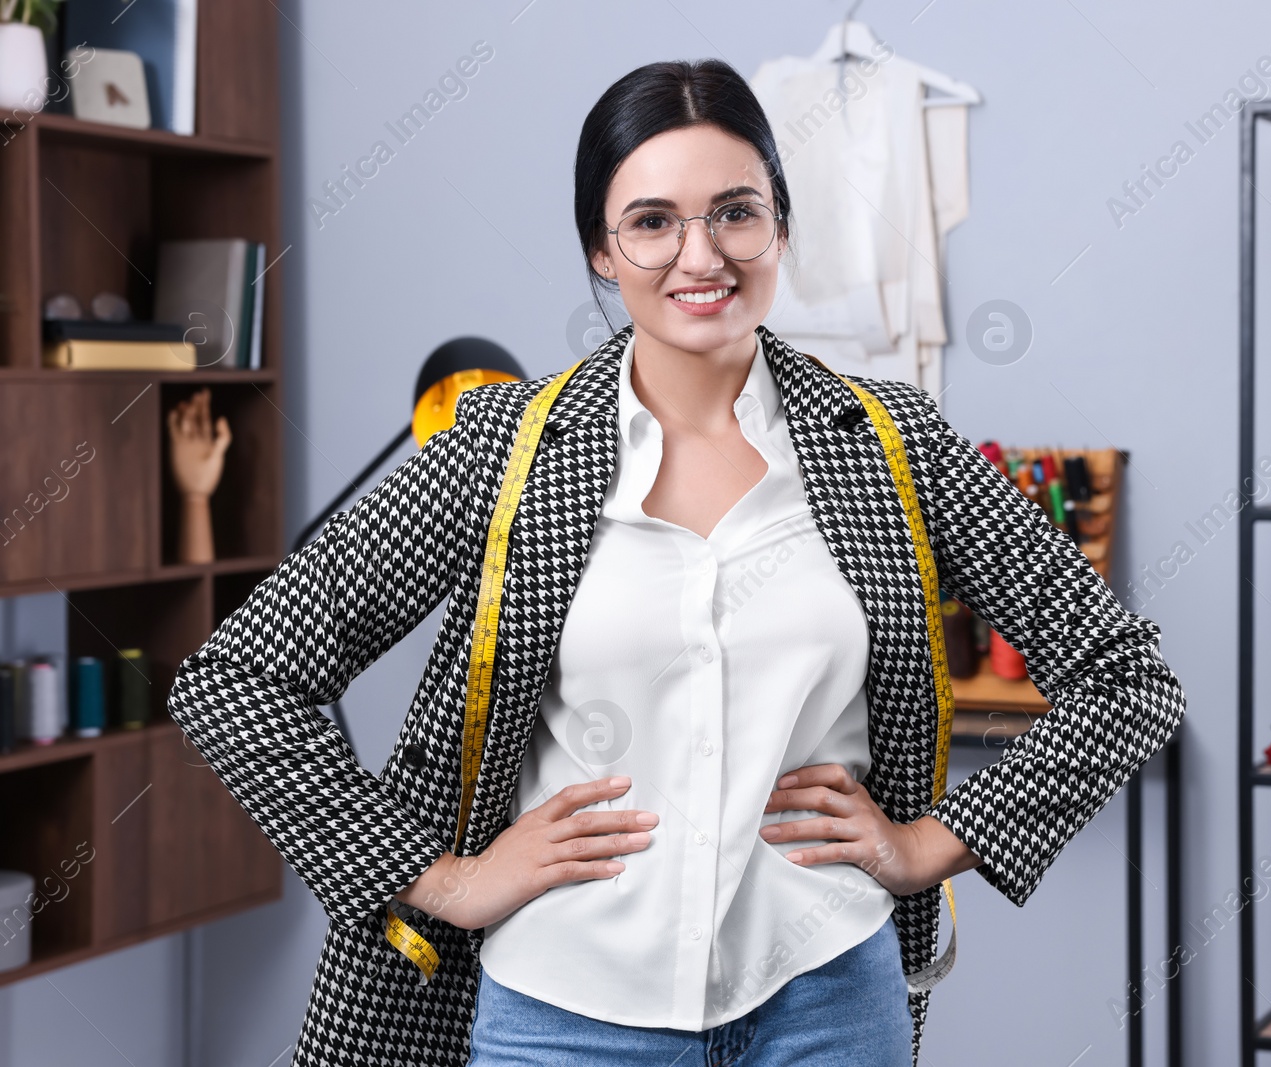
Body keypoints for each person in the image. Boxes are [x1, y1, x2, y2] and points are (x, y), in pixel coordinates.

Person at [167, 58, 1185, 1067]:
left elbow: (1126, 678)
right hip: (563, 1012)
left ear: (780, 225)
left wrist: (930, 843)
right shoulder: (503, 448)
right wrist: (441, 878)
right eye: (652, 221)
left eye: (734, 212)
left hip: (828, 999)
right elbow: (238, 676)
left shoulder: (890, 443)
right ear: (601, 252)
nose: (702, 255)